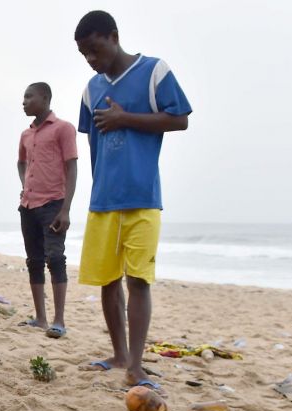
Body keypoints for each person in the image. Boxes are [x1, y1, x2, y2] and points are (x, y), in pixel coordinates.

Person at [74, 10, 191, 389]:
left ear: (113, 36)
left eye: (94, 50)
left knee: (138, 279)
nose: (91, 60)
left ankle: (136, 364)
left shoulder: (154, 71)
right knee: (107, 280)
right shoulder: (91, 89)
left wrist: (127, 118)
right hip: (104, 199)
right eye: (84, 55)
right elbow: (93, 145)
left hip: (142, 195)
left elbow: (180, 119)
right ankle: (118, 353)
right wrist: (95, 189)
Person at [17, 82, 77, 339]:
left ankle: (58, 320)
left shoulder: (63, 129)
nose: (24, 102)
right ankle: (40, 318)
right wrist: (25, 186)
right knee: (34, 261)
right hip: (28, 205)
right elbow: (20, 163)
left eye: (29, 97)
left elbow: (72, 167)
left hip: (53, 203)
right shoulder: (26, 135)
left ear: (45, 98)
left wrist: (66, 209)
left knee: (55, 259)